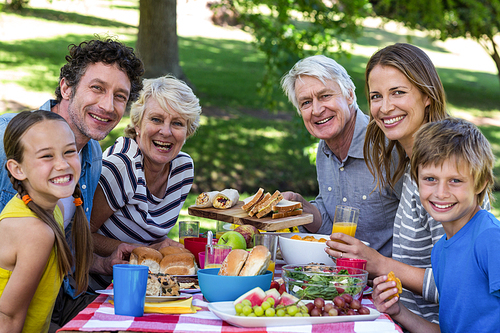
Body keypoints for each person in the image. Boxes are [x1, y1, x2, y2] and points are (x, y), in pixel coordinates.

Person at [325, 43, 484, 326]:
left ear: (426, 95)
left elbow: (465, 284)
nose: (385, 107)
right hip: (403, 320)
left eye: (398, 92)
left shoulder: (442, 181)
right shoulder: (410, 165)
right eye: (376, 96)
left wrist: (379, 263)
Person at [0, 38, 144, 331]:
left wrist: (103, 264)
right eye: (97, 88)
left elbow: (57, 248)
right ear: (66, 87)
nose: (108, 106)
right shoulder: (8, 142)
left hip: (57, 302)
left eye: (120, 96)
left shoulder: (90, 155)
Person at [372, 117, 500, 333]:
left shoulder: (489, 239)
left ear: (481, 183)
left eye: (455, 181)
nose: (441, 193)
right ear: (416, 180)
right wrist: (398, 312)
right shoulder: (441, 250)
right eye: (430, 179)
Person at [280, 55, 401, 257]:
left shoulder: (388, 147)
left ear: (350, 95)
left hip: (389, 283)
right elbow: (331, 230)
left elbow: (424, 229)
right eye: (306, 102)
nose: (317, 110)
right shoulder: (324, 149)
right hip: (343, 279)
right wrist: (302, 207)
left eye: (325, 96)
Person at [89, 75, 202, 289]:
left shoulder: (182, 168)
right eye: (156, 119)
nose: (166, 132)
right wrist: (149, 248)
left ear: (188, 131)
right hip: (97, 286)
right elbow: (80, 233)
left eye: (177, 123)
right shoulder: (122, 166)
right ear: (138, 124)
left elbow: (150, 229)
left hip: (145, 285)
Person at [0, 111, 92, 333]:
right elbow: (8, 318)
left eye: (69, 152)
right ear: (17, 169)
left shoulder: (55, 210)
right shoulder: (35, 231)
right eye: (46, 156)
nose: (62, 164)